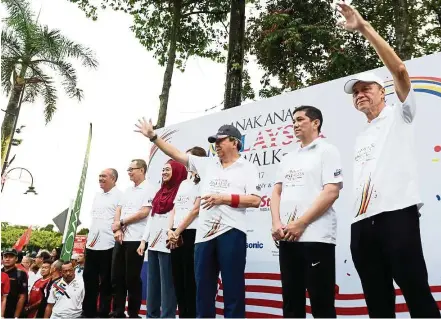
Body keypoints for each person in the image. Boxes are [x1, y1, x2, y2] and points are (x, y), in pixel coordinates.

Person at [336, 3, 441, 318]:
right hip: (361, 225)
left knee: (417, 296)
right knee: (378, 304)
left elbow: (400, 71)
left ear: (383, 93)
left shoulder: (401, 115)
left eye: (365, 88)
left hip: (397, 218)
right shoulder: (360, 135)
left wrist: (364, 27)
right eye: (355, 92)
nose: (359, 94)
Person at [135, 119, 262, 317]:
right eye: (215, 141)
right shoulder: (207, 164)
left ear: (235, 142)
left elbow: (255, 200)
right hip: (203, 238)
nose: (216, 145)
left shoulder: (247, 168)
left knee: (233, 289)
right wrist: (154, 137)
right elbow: (175, 153)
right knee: (202, 291)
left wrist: (224, 198)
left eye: (220, 140)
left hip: (232, 232)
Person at [270, 106, 343, 318]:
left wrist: (301, 223)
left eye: (300, 119)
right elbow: (276, 192)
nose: (295, 124)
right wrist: (276, 223)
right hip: (287, 239)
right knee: (291, 304)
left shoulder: (327, 150)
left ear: (315, 123)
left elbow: (331, 192)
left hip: (316, 238)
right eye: (293, 121)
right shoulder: (287, 158)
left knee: (322, 304)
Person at [137, 160, 187, 318]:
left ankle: (167, 316)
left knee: (167, 287)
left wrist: (172, 233)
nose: (164, 172)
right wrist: (144, 241)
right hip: (152, 245)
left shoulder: (181, 192)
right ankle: (151, 316)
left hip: (168, 244)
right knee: (152, 285)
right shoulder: (159, 192)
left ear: (177, 171)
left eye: (168, 170)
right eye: (163, 170)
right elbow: (151, 218)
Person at [110, 159, 155, 318]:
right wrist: (117, 227)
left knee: (132, 278)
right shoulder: (127, 190)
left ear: (142, 170)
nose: (129, 172)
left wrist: (121, 222)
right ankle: (118, 311)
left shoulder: (149, 188)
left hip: (137, 239)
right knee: (117, 276)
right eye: (128, 169)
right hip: (121, 238)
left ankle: (133, 313)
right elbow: (119, 208)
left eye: (132, 169)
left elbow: (144, 212)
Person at [167, 146, 206, 318]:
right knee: (178, 279)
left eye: (189, 158)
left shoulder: (204, 181)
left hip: (192, 233)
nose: (185, 161)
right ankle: (182, 314)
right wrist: (170, 230)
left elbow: (195, 210)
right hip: (175, 234)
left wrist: (178, 231)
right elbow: (175, 209)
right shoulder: (183, 183)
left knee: (190, 279)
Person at [83, 168, 122, 318]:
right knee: (89, 279)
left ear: (113, 178)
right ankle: (88, 312)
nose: (100, 178)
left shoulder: (120, 196)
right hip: (92, 245)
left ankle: (103, 312)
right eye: (99, 176)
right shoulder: (97, 196)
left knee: (106, 281)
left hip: (109, 244)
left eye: (103, 176)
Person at [1, 248, 28, 318]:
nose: (7, 259)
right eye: (5, 257)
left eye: (11, 257)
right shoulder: (1, 273)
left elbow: (22, 296)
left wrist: (16, 316)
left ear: (16, 259)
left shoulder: (21, 274)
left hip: (11, 312)